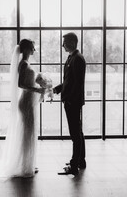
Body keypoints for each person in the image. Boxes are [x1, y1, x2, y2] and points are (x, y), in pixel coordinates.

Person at [0, 39, 45, 179]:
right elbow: (21, 85)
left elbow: (27, 81)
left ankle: (28, 163)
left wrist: (38, 80)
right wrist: (37, 90)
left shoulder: (25, 63)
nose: (33, 50)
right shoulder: (24, 64)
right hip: (25, 102)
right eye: (32, 48)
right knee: (27, 135)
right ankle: (24, 166)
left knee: (28, 134)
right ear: (25, 49)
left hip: (28, 102)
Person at [53, 32, 86, 176]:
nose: (62, 45)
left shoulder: (78, 59)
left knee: (75, 134)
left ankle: (74, 166)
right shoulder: (71, 57)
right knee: (78, 132)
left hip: (73, 101)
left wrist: (70, 100)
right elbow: (69, 80)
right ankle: (80, 161)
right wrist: (58, 88)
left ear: (72, 42)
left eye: (64, 42)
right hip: (71, 100)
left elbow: (77, 84)